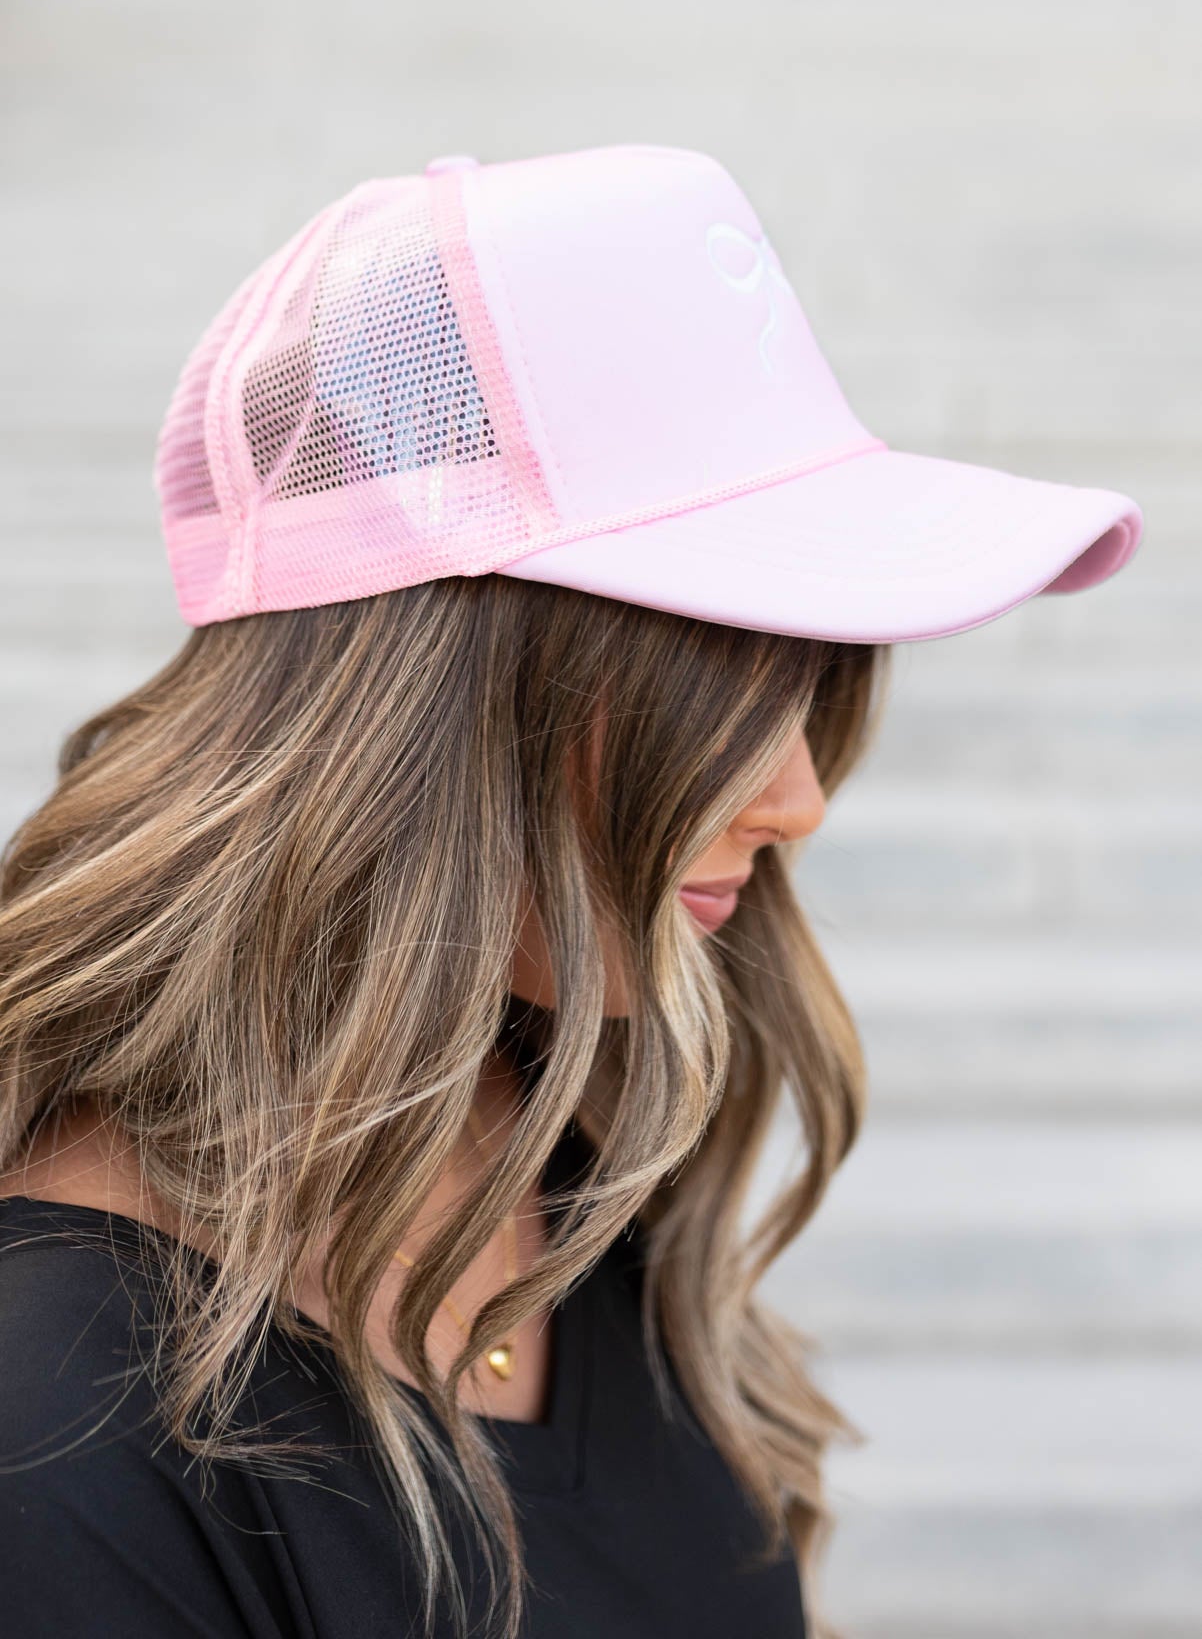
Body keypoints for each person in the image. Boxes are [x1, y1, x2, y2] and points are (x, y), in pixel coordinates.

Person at [0, 144, 1143, 1639]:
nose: (796, 798)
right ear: (430, 710)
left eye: (813, 678)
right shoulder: (57, 1429)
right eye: (721, 679)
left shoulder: (572, 1150)